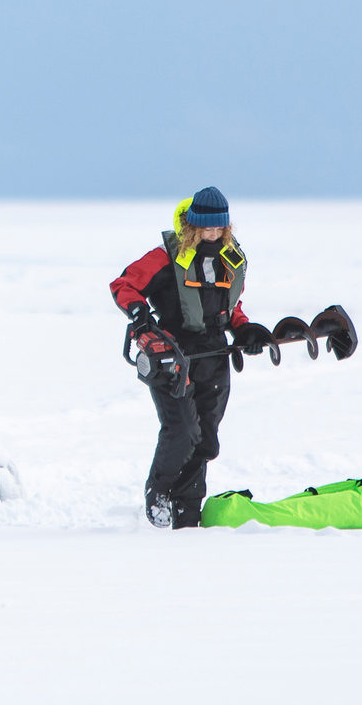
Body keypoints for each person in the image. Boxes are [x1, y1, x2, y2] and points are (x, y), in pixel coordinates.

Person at [107, 186, 269, 528]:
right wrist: (140, 316)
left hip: (214, 353)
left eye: (219, 228)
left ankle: (188, 509)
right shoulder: (166, 256)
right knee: (182, 430)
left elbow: (230, 306)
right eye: (206, 228)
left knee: (206, 436)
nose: (213, 234)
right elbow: (124, 285)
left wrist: (245, 330)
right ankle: (160, 494)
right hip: (171, 354)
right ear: (193, 226)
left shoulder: (229, 257)